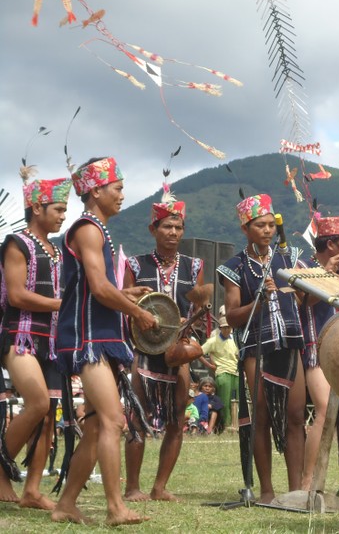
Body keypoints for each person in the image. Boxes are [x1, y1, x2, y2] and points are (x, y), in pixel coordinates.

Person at [51, 157, 157, 525]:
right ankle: (115, 508)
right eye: (118, 188)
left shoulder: (96, 229)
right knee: (113, 421)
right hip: (87, 339)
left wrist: (126, 293)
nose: (122, 195)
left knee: (98, 426)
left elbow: (95, 286)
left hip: (95, 335)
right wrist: (137, 311)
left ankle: (66, 504)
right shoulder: (88, 229)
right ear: (96, 190)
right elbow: (97, 288)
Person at [218, 193, 306, 504]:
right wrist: (258, 298)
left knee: (295, 416)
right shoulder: (233, 267)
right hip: (256, 347)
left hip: (291, 343)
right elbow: (231, 316)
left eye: (271, 225)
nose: (267, 230)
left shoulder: (290, 256)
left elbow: (305, 297)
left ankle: (296, 491)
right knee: (262, 418)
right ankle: (267, 491)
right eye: (260, 225)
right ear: (245, 228)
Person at [123, 183, 204, 502]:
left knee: (176, 421)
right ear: (153, 229)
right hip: (144, 352)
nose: (173, 232)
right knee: (136, 418)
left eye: (178, 227)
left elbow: (197, 309)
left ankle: (159, 487)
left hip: (178, 352)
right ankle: (132, 487)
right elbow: (125, 308)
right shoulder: (136, 265)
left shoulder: (193, 267)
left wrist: (190, 325)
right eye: (167, 226)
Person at [0, 173, 71, 508]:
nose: (63, 215)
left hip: (52, 341)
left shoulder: (55, 250)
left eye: (65, 209)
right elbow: (16, 295)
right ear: (37, 207)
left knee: (48, 415)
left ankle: (31, 491)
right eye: (58, 208)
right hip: (21, 335)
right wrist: (63, 304)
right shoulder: (16, 243)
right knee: (38, 403)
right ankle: (1, 472)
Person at [295, 214, 339, 491]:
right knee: (323, 410)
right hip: (313, 347)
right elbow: (302, 302)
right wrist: (324, 273)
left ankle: (317, 479)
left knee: (330, 413)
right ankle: (308, 481)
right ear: (331, 245)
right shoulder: (302, 265)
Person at [199, 314, 238, 430]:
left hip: (235, 372)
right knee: (224, 402)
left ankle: (235, 426)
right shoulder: (213, 341)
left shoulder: (234, 340)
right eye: (224, 327)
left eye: (229, 327)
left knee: (237, 402)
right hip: (222, 372)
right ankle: (224, 426)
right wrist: (210, 365)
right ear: (220, 328)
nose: (227, 329)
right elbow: (199, 352)